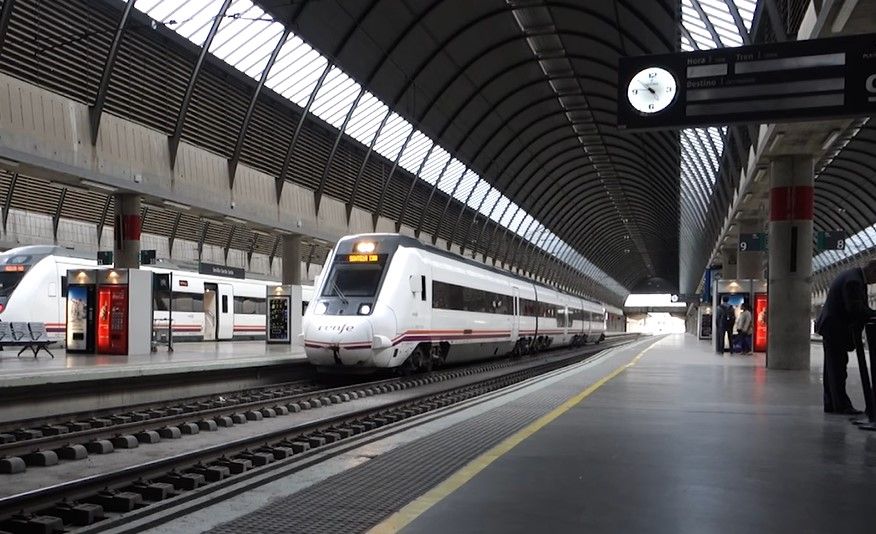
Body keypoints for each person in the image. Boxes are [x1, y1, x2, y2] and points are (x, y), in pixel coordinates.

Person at [815, 260, 876, 415]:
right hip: (836, 329)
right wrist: (873, 314)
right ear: (872, 270)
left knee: (832, 368)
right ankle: (841, 406)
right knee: (838, 368)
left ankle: (832, 404)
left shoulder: (852, 276)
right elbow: (855, 308)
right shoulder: (854, 281)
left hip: (832, 328)